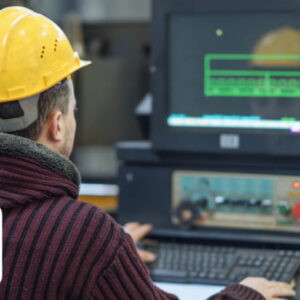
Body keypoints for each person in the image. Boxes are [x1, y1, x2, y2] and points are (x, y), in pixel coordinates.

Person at [0, 6, 296, 300]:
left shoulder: (78, 239)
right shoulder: (77, 232)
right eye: (73, 111)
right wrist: (246, 295)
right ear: (58, 125)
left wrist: (112, 260)